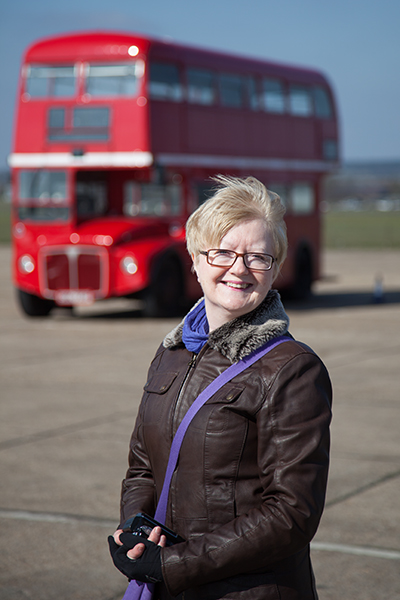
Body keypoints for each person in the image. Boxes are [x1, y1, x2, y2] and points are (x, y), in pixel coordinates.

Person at [108, 175, 332, 599]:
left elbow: (292, 514)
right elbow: (142, 467)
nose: (239, 268)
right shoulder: (170, 354)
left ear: (275, 270)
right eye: (223, 252)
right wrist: (133, 529)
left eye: (258, 257)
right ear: (195, 259)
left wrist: (173, 564)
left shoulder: (293, 369)